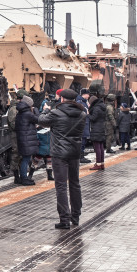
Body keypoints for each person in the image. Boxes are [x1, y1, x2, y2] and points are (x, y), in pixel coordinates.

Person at [38, 88, 86, 228]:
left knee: (61, 186)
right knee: (75, 184)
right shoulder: (82, 114)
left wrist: (46, 110)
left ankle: (64, 219)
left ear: (62, 99)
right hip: (74, 153)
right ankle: (76, 216)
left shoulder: (56, 113)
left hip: (59, 154)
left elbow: (42, 121)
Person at [15, 95, 40, 186]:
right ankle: (24, 178)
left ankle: (23, 177)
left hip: (23, 139)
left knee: (24, 159)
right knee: (25, 160)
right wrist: (37, 111)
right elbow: (38, 119)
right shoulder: (28, 114)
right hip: (27, 140)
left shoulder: (20, 113)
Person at [7, 89, 27, 185]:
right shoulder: (14, 109)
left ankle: (19, 174)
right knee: (16, 153)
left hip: (20, 133)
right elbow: (12, 124)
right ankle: (15, 175)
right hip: (15, 134)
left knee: (21, 154)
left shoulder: (19, 107)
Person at [87, 90, 107, 170]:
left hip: (96, 129)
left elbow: (93, 118)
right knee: (101, 146)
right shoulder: (102, 107)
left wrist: (88, 114)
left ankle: (98, 164)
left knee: (97, 147)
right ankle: (101, 163)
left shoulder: (96, 108)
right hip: (101, 128)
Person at [77, 89, 92, 164]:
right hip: (83, 125)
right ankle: (80, 157)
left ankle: (81, 156)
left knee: (83, 141)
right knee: (82, 141)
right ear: (84, 94)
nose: (89, 96)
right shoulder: (80, 103)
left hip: (85, 124)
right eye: (88, 94)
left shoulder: (84, 102)